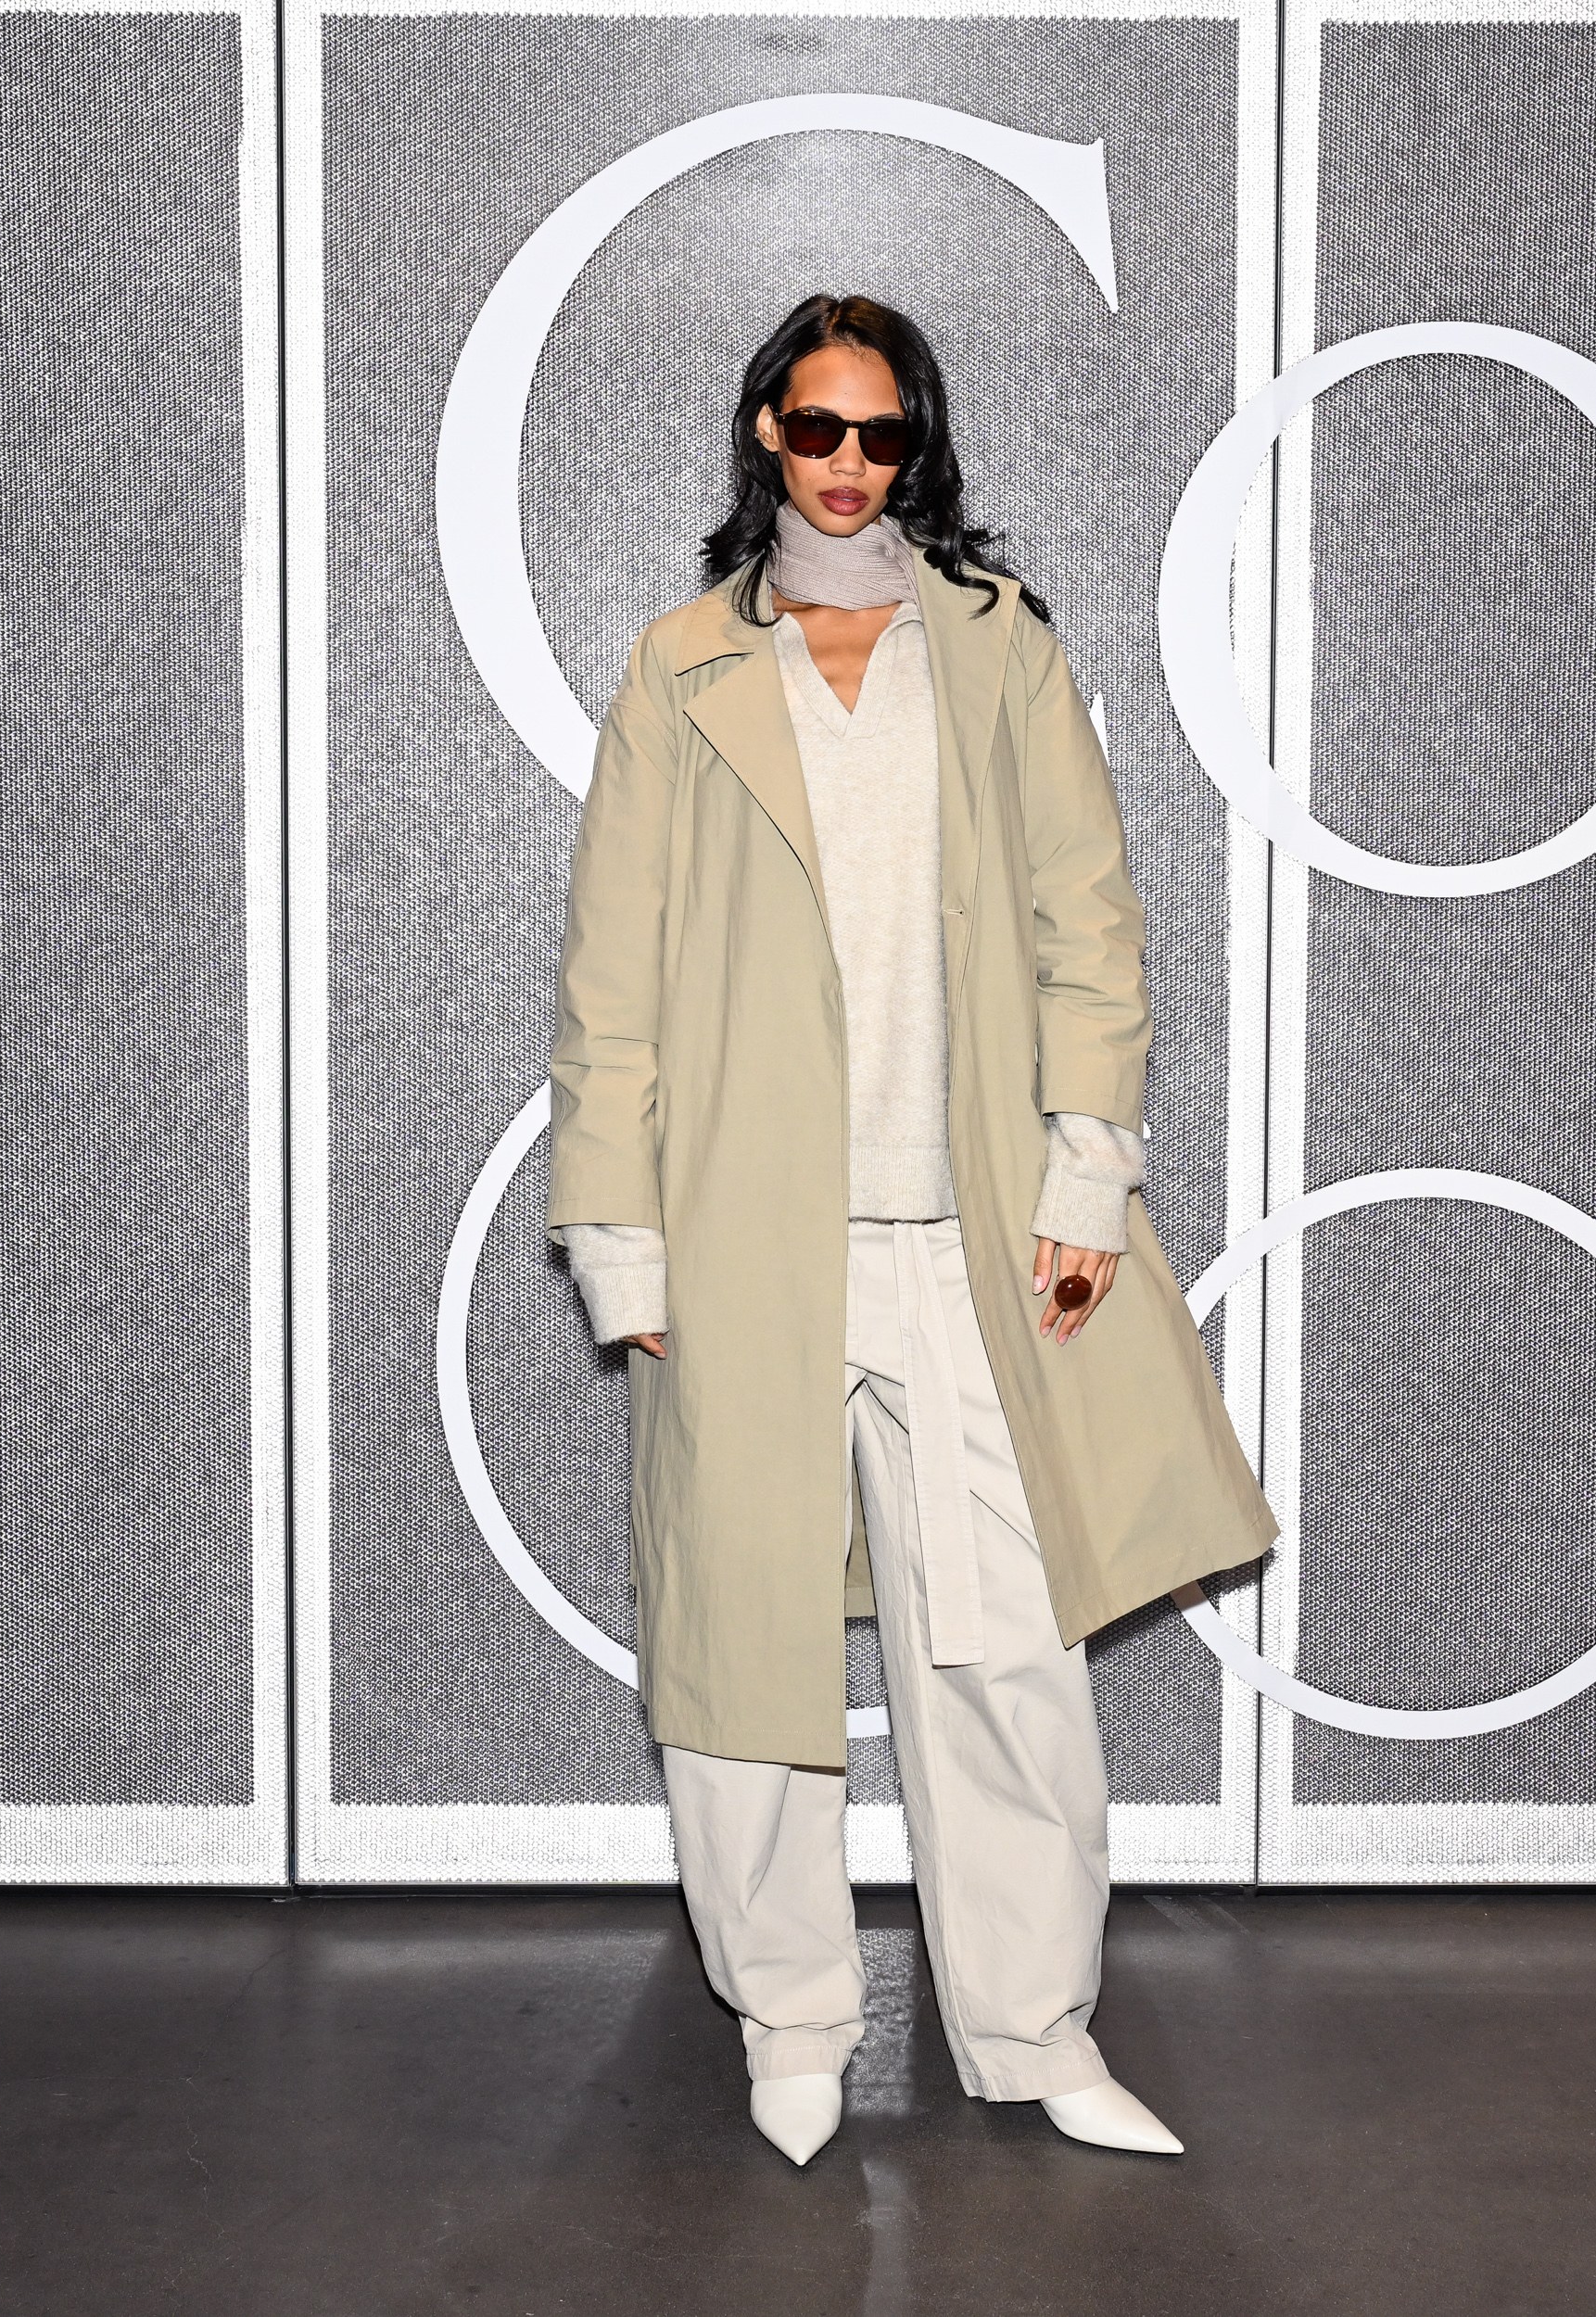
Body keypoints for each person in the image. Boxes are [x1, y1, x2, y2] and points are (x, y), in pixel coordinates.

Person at [549, 294, 1276, 2166]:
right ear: (766, 434)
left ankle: (1035, 2029)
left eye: (881, 433)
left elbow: (1087, 920)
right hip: (744, 1245)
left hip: (968, 1243)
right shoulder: (679, 670)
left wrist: (1084, 1174)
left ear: (917, 445)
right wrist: (620, 1239)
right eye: (817, 428)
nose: (848, 464)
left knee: (1007, 1651)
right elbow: (611, 986)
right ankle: (792, 2020)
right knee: (745, 1654)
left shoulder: (996, 644)